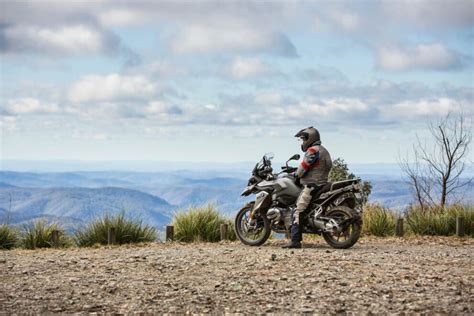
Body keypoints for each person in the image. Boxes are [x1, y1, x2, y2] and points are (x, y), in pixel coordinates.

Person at [282, 126, 332, 249]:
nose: (303, 142)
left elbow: (303, 168)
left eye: (304, 139)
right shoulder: (324, 150)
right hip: (322, 183)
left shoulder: (313, 151)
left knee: (297, 210)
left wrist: (296, 174)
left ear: (310, 138)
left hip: (312, 185)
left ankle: (295, 241)